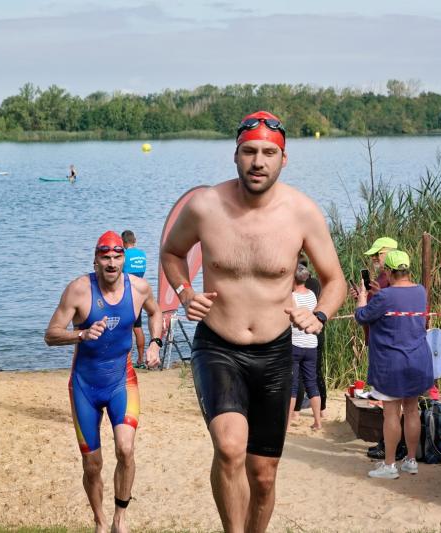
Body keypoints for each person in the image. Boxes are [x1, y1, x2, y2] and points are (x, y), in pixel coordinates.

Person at [160, 110, 346, 532]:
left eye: (268, 153)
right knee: (229, 449)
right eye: (249, 152)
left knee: (263, 475)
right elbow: (172, 252)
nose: (258, 161)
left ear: (283, 159)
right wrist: (185, 292)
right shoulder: (205, 206)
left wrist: (319, 314)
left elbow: (335, 280)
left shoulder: (302, 212)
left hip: (275, 353)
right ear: (235, 155)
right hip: (217, 345)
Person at [44, 231, 163, 533]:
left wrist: (155, 342)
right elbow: (51, 334)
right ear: (95, 260)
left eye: (116, 257)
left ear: (124, 259)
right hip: (85, 386)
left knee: (125, 449)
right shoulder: (79, 290)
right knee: (92, 464)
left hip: (122, 380)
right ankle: (99, 521)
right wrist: (81, 334)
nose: (111, 263)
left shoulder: (139, 288)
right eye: (105, 257)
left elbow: (156, 312)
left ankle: (119, 520)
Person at [353, 250, 433, 479]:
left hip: (391, 363)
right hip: (418, 359)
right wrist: (380, 295)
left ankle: (389, 465)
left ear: (388, 272)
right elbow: (397, 304)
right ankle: (411, 460)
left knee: (391, 413)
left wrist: (362, 297)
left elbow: (361, 316)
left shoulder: (385, 296)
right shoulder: (420, 291)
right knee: (412, 410)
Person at [289, 263, 321, 430]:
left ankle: (287, 423)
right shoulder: (312, 295)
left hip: (295, 344)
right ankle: (317, 421)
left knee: (292, 385)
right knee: (312, 383)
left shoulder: (291, 296)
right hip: (311, 344)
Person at [121, 230, 148, 368]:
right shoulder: (142, 255)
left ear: (123, 242)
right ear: (134, 240)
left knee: (125, 328)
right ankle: (141, 360)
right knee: (138, 327)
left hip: (126, 293)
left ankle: (127, 360)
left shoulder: (123, 255)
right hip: (139, 293)